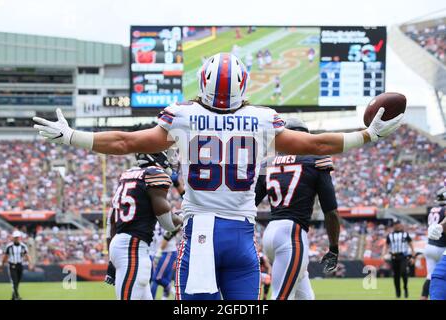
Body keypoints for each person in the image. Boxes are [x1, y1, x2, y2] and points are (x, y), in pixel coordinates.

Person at [33, 52, 404, 300]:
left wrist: (72, 136)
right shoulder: (262, 119)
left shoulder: (182, 116)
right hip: (242, 238)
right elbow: (318, 145)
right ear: (243, 85)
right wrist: (368, 135)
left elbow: (125, 141)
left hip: (201, 235)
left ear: (204, 82)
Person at [255, 118, 340, 300]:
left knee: (305, 297)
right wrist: (334, 248)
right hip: (291, 236)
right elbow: (331, 211)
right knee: (281, 296)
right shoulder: (316, 162)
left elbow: (250, 202)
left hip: (270, 233)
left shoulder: (267, 164)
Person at [105, 152, 182, 300]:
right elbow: (168, 224)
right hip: (133, 249)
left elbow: (111, 221)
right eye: (166, 153)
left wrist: (111, 259)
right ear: (155, 155)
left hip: (121, 245)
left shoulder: (128, 174)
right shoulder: (154, 174)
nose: (170, 158)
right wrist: (183, 218)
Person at [421, 185, 446, 299]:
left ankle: (423, 296)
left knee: (431, 275)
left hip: (429, 244)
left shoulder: (432, 210)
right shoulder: (443, 210)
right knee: (438, 276)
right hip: (441, 245)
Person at [382, 220, 415, 298]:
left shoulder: (405, 234)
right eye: (396, 224)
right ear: (394, 226)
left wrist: (413, 256)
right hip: (394, 256)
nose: (398, 226)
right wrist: (383, 254)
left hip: (403, 256)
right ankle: (398, 291)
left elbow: (411, 244)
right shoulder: (390, 235)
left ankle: (405, 288)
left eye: (399, 224)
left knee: (403, 272)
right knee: (396, 275)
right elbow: (386, 245)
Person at [151, 225, 180, 300]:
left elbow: (168, 235)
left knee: (157, 277)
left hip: (168, 251)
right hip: (158, 251)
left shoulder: (170, 220)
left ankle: (175, 293)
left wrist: (159, 250)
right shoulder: (155, 221)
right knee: (164, 278)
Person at [1, 230, 33, 300]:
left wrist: (30, 264)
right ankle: (17, 296)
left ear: (20, 238)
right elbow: (5, 256)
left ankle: (13, 296)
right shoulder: (9, 246)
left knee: (18, 281)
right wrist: (2, 264)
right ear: (13, 238)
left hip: (20, 265)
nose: (17, 238)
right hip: (12, 265)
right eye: (15, 237)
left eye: (18, 237)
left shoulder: (23, 246)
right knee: (14, 281)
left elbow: (27, 255)